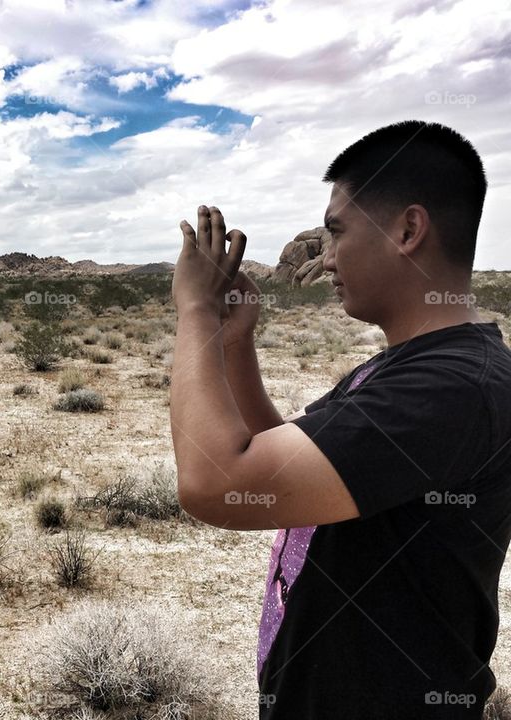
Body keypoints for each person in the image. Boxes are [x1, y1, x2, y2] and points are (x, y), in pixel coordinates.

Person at [168, 119, 511, 719]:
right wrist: (232, 343)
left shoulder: (450, 389)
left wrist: (194, 311)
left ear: (408, 229)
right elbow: (279, 454)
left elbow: (217, 483)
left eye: (337, 233)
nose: (325, 259)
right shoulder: (417, 369)